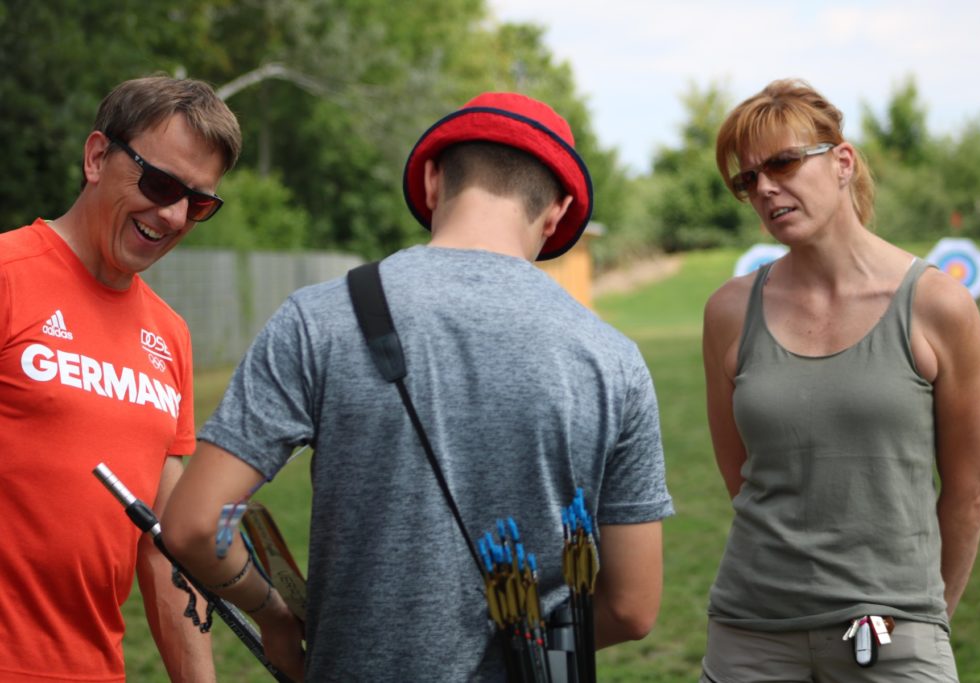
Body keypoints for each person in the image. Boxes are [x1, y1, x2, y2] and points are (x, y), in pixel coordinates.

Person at [161, 91, 674, 681]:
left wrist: (270, 609)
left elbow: (199, 524)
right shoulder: (615, 362)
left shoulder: (319, 320)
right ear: (557, 213)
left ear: (432, 181)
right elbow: (632, 609)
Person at [699, 78, 980, 682]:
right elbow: (741, 474)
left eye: (782, 162)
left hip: (893, 633)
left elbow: (972, 487)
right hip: (749, 631)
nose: (764, 188)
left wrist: (921, 615)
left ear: (842, 162)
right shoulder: (728, 311)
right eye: (747, 179)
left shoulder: (938, 304)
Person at [0, 75, 241, 682]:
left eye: (199, 202)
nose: (175, 214)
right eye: (159, 183)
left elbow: (164, 548)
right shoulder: (8, 276)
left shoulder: (171, 337)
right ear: (96, 157)